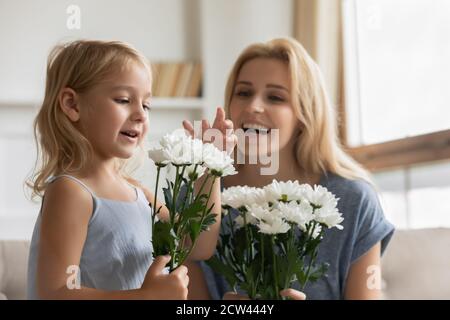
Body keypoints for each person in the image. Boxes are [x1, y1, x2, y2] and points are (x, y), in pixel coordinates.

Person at [183, 37, 395, 300]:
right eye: (244, 93)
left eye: (275, 97)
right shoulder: (199, 193)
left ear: (304, 114)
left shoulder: (355, 201)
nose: (253, 107)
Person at [26, 40, 230, 299]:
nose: (140, 114)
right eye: (124, 100)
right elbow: (56, 292)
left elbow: (197, 244)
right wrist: (146, 297)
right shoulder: (71, 191)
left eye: (146, 105)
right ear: (72, 105)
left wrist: (211, 164)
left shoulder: (137, 192)